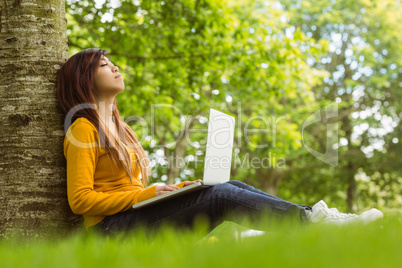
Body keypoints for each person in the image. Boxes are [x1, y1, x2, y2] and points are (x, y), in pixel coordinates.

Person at [56, 48, 383, 235]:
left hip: (132, 218)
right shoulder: (83, 129)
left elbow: (129, 191)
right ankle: (314, 222)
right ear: (85, 80)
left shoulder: (122, 130)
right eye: (103, 65)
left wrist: (181, 188)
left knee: (227, 184)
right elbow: (80, 200)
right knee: (221, 195)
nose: (114, 66)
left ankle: (311, 219)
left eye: (111, 61)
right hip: (110, 232)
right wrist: (146, 194)